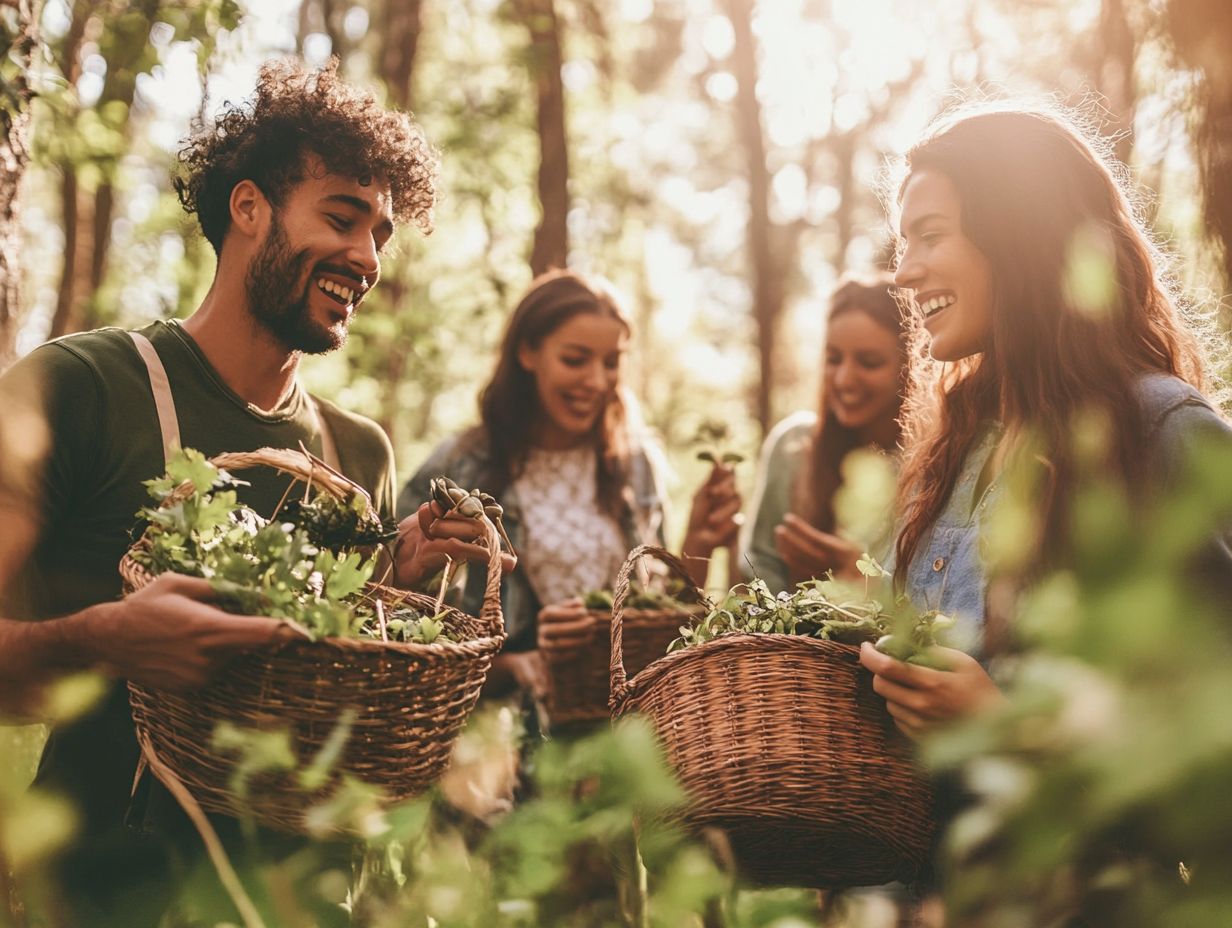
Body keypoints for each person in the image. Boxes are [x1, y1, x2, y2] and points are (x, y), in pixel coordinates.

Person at [0, 58, 509, 926]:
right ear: (248, 209)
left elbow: (335, 719)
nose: (367, 256)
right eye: (342, 217)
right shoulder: (82, 386)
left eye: (381, 233)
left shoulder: (360, 455)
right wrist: (108, 642)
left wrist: (399, 588)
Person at [858, 105, 1232, 739]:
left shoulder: (1163, 428)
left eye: (930, 235)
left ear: (1017, 235)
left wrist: (1009, 729)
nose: (903, 271)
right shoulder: (956, 448)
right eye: (904, 242)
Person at [398, 269, 740, 706]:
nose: (597, 381)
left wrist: (698, 543)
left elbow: (660, 619)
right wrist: (515, 661)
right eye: (575, 360)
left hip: (620, 726)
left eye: (611, 362)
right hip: (500, 733)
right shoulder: (463, 465)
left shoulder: (633, 463)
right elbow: (399, 614)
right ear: (528, 353)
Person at [738, 274, 906, 592]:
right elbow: (758, 565)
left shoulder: (932, 464)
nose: (844, 379)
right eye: (833, 359)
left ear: (908, 365)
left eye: (868, 362)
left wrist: (858, 579)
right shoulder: (792, 446)